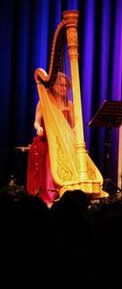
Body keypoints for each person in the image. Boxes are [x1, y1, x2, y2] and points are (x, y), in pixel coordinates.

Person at [27, 72, 74, 204]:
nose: (63, 88)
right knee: (49, 155)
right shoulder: (44, 102)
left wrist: (72, 134)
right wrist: (38, 128)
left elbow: (75, 126)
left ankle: (63, 193)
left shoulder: (69, 105)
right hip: (46, 141)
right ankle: (47, 196)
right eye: (60, 85)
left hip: (63, 142)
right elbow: (36, 122)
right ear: (53, 85)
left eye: (65, 86)